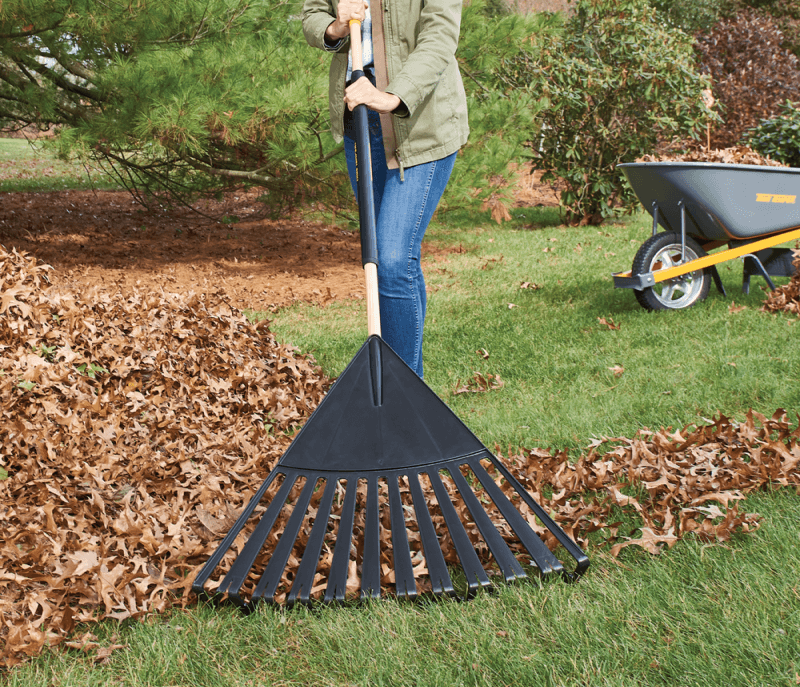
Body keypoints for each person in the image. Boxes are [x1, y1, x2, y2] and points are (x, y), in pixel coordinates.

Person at [302, 0, 469, 378]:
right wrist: (336, 27)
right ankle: (414, 390)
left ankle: (403, 398)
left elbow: (440, 34)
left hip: (421, 123)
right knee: (394, 265)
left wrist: (393, 96)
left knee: (392, 261)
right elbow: (312, 13)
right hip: (361, 122)